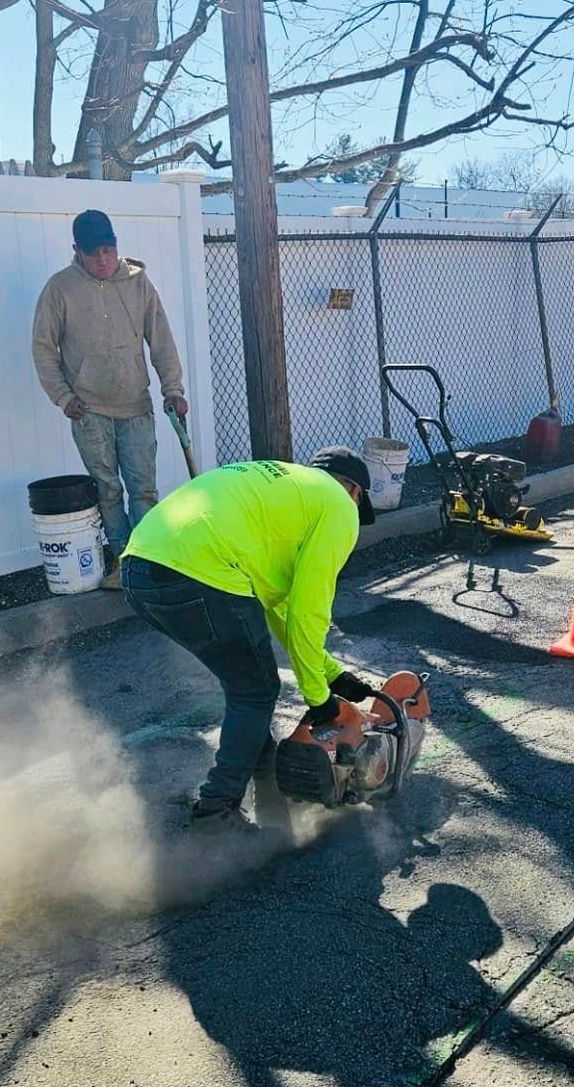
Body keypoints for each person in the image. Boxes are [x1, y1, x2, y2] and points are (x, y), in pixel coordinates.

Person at [121, 449, 379, 828]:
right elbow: (308, 613)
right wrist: (320, 701)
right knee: (254, 690)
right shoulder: (338, 506)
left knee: (246, 681)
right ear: (355, 490)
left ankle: (270, 786)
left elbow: (283, 612)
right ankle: (216, 813)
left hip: (138, 569)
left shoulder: (287, 492)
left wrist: (330, 673)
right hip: (199, 571)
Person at [32, 209, 188, 589]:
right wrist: (63, 397)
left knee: (143, 488)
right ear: (76, 251)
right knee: (108, 489)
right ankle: (122, 565)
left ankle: (151, 561)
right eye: (93, 252)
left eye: (108, 249)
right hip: (88, 411)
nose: (102, 259)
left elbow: (161, 340)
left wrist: (173, 390)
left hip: (135, 405)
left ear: (116, 245)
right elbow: (43, 348)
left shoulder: (138, 282)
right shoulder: (60, 288)